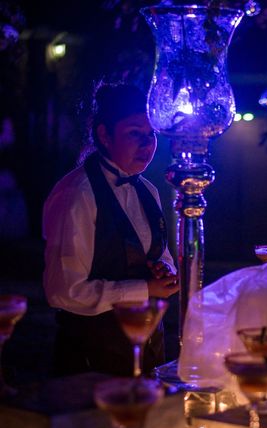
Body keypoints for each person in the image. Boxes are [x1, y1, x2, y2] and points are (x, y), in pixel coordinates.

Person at [43, 83, 179, 377]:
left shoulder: (148, 190)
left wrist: (163, 270)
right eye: (134, 134)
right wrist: (145, 289)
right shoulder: (77, 194)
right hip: (92, 360)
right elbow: (64, 292)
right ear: (104, 135)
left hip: (148, 350)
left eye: (151, 135)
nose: (147, 145)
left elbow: (160, 253)